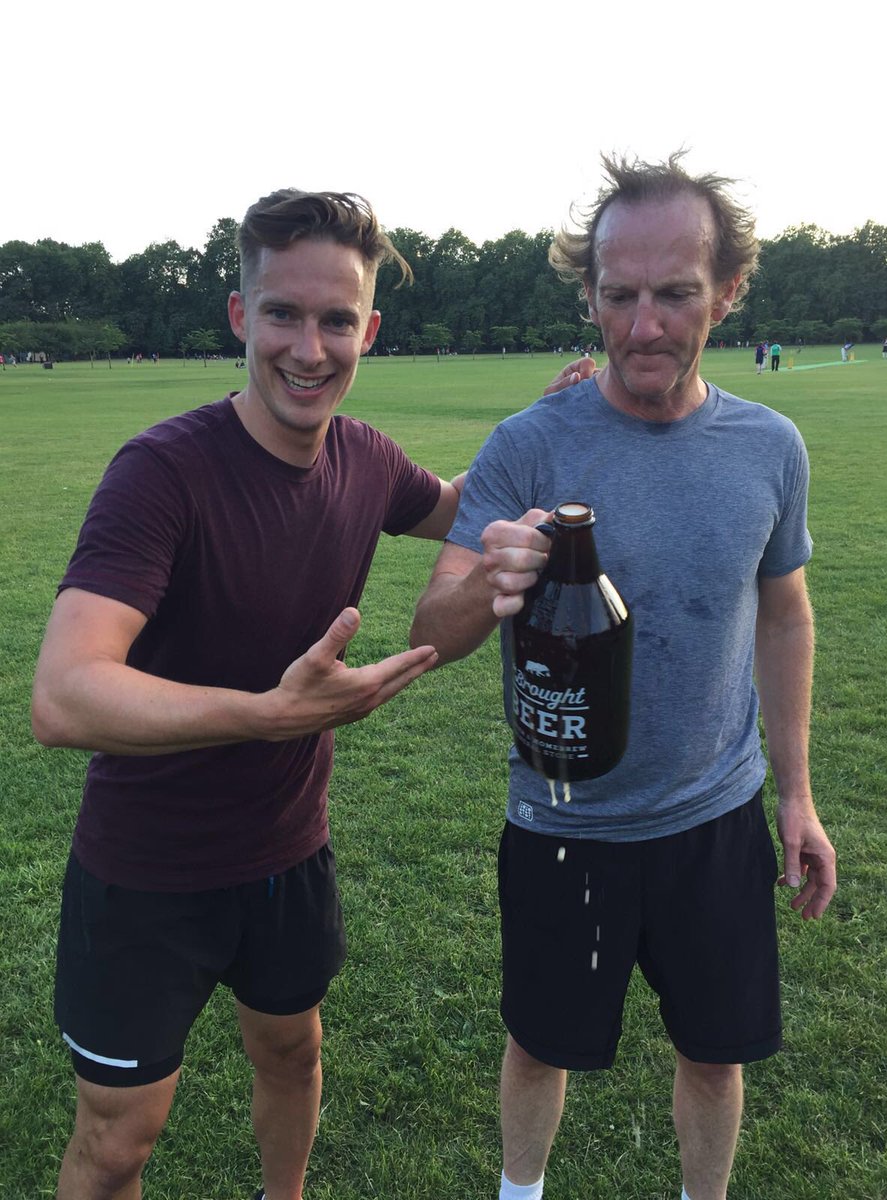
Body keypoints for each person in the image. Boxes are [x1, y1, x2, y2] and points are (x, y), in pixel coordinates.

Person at [31, 186, 589, 1200]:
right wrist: (267, 714)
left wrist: (541, 426)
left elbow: (459, 506)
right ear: (239, 316)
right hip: (147, 870)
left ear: (367, 331)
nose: (309, 347)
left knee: (292, 1056)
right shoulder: (161, 473)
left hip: (288, 855)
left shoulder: (366, 459)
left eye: (337, 320)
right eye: (282, 314)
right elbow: (65, 696)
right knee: (117, 1143)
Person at [410, 152, 837, 1200]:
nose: (644, 327)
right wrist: (492, 579)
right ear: (591, 296)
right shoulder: (528, 445)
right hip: (563, 821)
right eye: (620, 296)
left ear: (727, 291)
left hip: (716, 818)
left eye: (676, 294)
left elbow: (785, 615)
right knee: (539, 1046)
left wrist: (796, 796)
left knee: (714, 1054)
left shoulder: (770, 447)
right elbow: (434, 628)